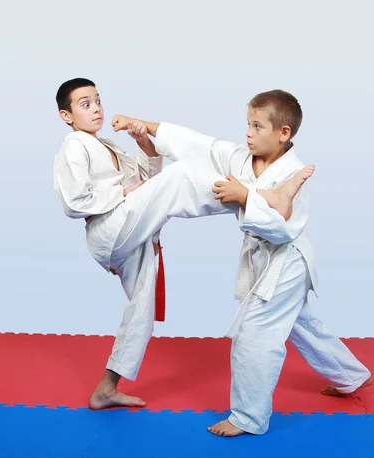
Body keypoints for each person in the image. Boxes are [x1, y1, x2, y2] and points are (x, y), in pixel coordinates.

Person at [118, 89, 372, 436]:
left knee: (255, 335)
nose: (248, 133)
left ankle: (248, 418)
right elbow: (196, 144)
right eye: (247, 125)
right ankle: (352, 376)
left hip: (286, 264)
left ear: (284, 133)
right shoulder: (240, 157)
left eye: (257, 126)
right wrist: (144, 126)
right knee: (302, 325)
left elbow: (283, 230)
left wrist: (244, 196)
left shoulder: (294, 174)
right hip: (265, 262)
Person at [52, 78, 314, 410]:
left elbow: (149, 184)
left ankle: (106, 388)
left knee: (141, 312)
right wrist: (122, 192)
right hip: (111, 228)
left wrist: (145, 144)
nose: (97, 109)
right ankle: (263, 197)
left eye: (98, 100)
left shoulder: (107, 145)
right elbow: (74, 202)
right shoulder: (75, 145)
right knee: (183, 175)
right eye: (85, 104)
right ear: (67, 116)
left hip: (134, 225)